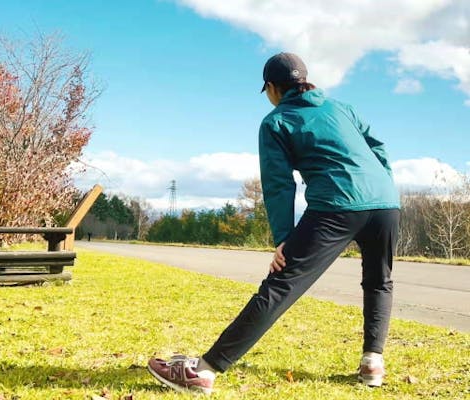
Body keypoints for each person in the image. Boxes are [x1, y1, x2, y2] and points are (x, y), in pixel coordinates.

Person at [147, 52, 400, 395]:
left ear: (271, 87)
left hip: (335, 205)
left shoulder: (276, 121)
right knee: (379, 281)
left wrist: (283, 237)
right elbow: (378, 149)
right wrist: (382, 184)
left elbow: (279, 184)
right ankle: (373, 362)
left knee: (280, 285)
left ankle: (205, 370)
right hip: (386, 203)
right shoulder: (342, 108)